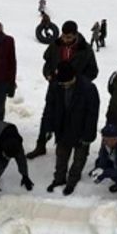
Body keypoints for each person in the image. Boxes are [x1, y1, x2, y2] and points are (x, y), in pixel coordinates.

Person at [27, 20, 99, 160]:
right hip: (55, 86)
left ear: (75, 35)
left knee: (69, 116)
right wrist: (48, 74)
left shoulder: (85, 49)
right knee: (48, 113)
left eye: (69, 37)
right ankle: (41, 144)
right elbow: (47, 63)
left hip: (75, 90)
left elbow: (93, 71)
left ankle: (67, 146)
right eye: (64, 36)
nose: (65, 40)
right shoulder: (55, 45)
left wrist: (79, 82)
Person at [42, 61, 100, 195]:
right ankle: (59, 179)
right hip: (62, 128)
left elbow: (92, 114)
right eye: (61, 83)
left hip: (81, 129)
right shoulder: (56, 85)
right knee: (61, 156)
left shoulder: (88, 88)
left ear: (74, 76)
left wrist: (88, 136)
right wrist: (48, 127)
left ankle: (73, 179)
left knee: (79, 158)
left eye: (66, 83)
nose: (63, 85)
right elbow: (49, 107)